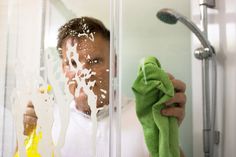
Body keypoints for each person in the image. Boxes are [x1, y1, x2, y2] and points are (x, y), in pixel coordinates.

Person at [23, 17, 186, 157]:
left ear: (114, 65)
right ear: (62, 69)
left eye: (94, 61)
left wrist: (166, 134)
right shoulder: (48, 121)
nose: (82, 73)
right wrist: (24, 134)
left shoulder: (146, 117)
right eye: (72, 63)